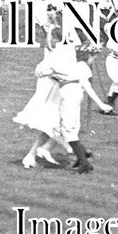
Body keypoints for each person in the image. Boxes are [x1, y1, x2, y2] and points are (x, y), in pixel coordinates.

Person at [47, 44, 112, 173]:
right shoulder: (81, 66)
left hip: (69, 96)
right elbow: (86, 86)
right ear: (88, 55)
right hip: (72, 95)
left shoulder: (77, 66)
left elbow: (86, 86)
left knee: (68, 131)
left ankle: (84, 163)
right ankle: (81, 155)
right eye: (93, 57)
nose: (93, 60)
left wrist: (101, 104)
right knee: (71, 129)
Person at [15, 25, 72, 168]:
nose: (49, 40)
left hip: (58, 93)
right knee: (57, 126)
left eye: (51, 38)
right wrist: (51, 74)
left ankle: (32, 155)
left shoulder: (63, 52)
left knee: (51, 127)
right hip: (53, 95)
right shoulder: (56, 53)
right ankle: (73, 152)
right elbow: (40, 70)